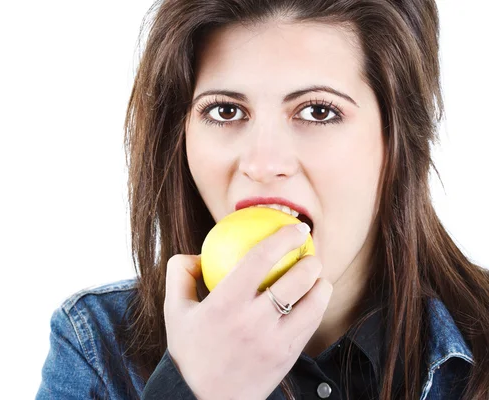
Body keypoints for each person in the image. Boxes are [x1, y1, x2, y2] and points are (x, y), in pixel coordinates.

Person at [36, 0, 489, 399]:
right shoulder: (96, 345)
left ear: (398, 139)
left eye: (318, 111)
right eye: (226, 111)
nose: (262, 162)